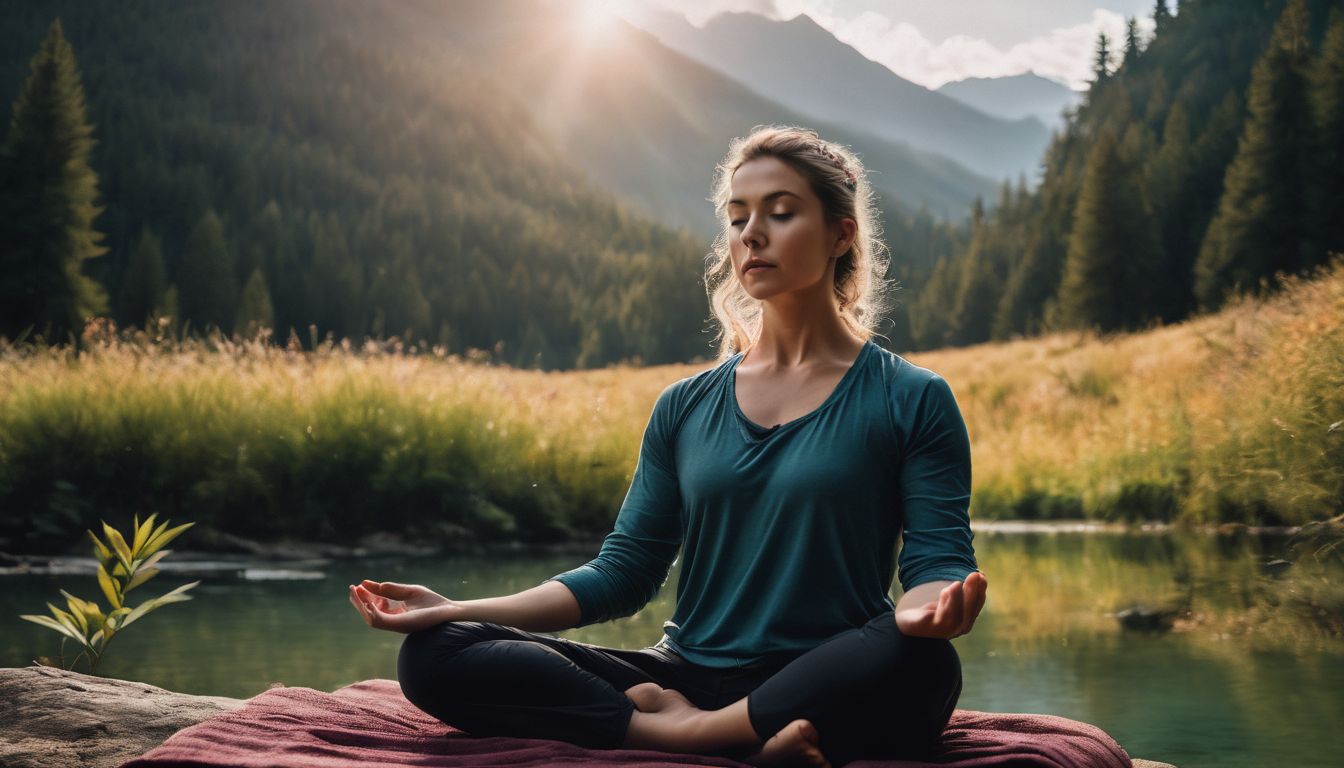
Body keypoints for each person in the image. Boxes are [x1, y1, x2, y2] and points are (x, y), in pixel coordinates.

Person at [348, 125, 988, 768]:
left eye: (781, 213)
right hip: (681, 676)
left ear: (841, 234)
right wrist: (456, 607)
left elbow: (937, 563)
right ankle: (701, 737)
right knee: (438, 651)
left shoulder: (911, 398)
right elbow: (622, 574)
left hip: (826, 675)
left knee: (921, 661)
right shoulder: (684, 406)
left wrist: (929, 611)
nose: (751, 235)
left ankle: (709, 734)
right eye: (738, 218)